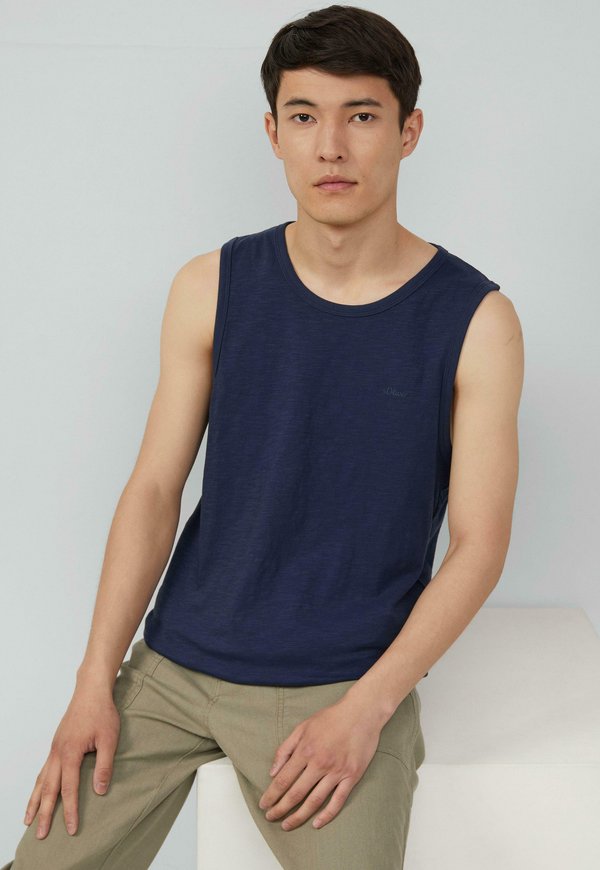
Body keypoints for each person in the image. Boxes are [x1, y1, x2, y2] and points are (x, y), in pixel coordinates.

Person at [2, 5, 524, 869]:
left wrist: (369, 708)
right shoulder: (211, 285)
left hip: (340, 682)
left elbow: (479, 544)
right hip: (174, 668)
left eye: (362, 116)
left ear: (409, 131)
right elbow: (154, 491)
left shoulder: (476, 320)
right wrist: (95, 681)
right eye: (305, 117)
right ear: (274, 133)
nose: (331, 148)